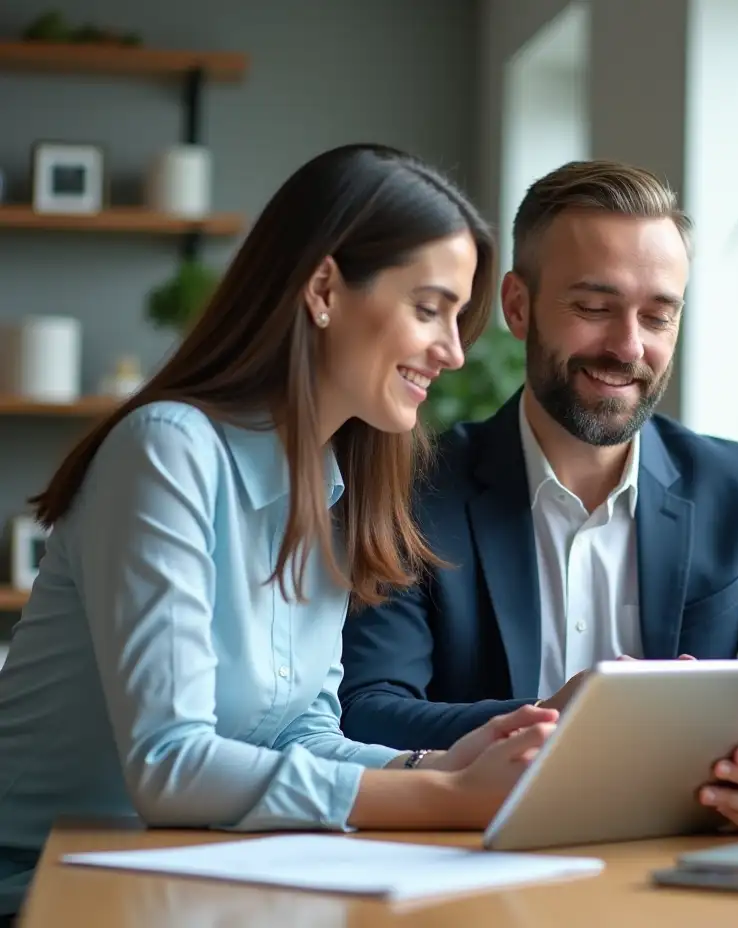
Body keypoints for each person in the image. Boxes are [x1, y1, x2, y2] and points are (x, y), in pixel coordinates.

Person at [0, 144, 560, 923]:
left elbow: (299, 730)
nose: (455, 351)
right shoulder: (168, 449)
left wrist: (431, 759)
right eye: (430, 308)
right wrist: (442, 795)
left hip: (198, 875)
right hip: (42, 888)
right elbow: (169, 764)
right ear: (325, 287)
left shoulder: (335, 481)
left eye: (458, 319)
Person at [337, 159, 738, 756]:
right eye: (593, 308)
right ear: (518, 306)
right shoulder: (415, 488)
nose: (629, 346)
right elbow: (368, 710)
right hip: (478, 838)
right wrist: (565, 717)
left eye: (658, 316)